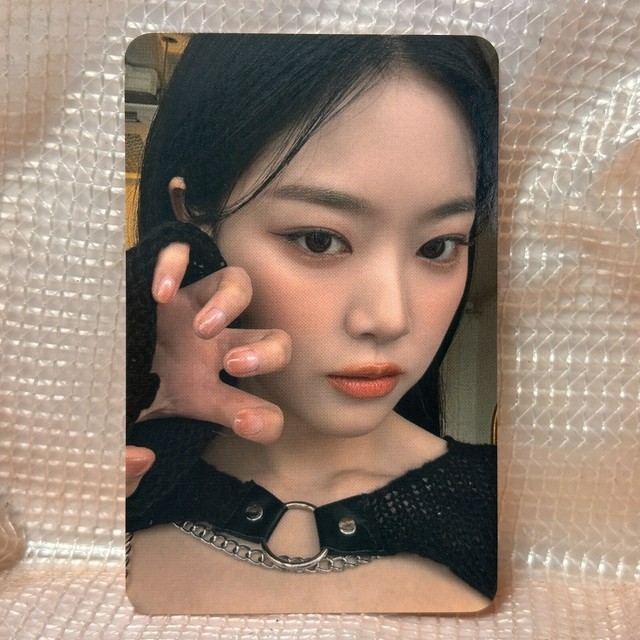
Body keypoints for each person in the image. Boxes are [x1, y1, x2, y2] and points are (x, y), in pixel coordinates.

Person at [125, 34, 498, 614]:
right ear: (192, 217)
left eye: (438, 246)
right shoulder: (111, 482)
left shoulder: (531, 515)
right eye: (320, 240)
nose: (389, 319)